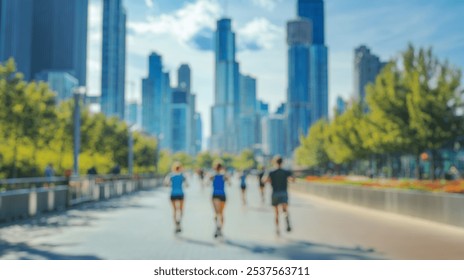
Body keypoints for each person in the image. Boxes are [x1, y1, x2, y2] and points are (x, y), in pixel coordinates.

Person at [264, 156, 295, 235]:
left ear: (275, 162)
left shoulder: (271, 172)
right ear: (282, 162)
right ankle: (286, 218)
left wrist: (271, 180)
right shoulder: (286, 172)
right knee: (285, 210)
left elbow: (264, 180)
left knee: (276, 213)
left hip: (275, 193)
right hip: (284, 192)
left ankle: (277, 229)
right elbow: (293, 179)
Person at [164, 162, 188, 234]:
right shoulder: (182, 176)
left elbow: (166, 183)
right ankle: (179, 221)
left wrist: (172, 184)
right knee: (180, 210)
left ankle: (176, 226)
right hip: (180, 194)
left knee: (174, 210)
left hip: (173, 194)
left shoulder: (170, 176)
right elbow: (187, 185)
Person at [210, 161, 228, 238]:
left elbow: (207, 182)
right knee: (221, 213)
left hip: (215, 195)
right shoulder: (224, 175)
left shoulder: (212, 175)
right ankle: (220, 229)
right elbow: (229, 183)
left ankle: (217, 227)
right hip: (222, 195)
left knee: (216, 213)